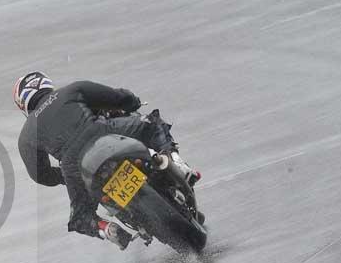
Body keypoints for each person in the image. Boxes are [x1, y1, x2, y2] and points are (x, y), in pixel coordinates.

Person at [13, 72, 201, 250]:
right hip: (102, 132)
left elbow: (40, 174)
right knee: (152, 124)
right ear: (46, 83)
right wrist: (133, 102)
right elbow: (119, 97)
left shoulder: (26, 135)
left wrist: (66, 177)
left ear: (23, 104)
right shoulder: (71, 90)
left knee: (80, 218)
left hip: (74, 166)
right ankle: (175, 161)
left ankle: (106, 230)